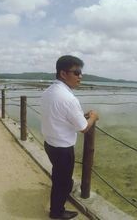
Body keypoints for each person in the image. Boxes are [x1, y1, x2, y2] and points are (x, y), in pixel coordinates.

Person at [41, 55, 99, 219]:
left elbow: (59, 115)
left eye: (81, 72)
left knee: (60, 176)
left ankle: (65, 189)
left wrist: (81, 115)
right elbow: (83, 128)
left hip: (49, 143)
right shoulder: (68, 98)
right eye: (77, 72)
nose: (80, 76)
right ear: (63, 74)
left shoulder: (49, 92)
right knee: (60, 181)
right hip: (62, 148)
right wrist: (93, 117)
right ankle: (56, 212)